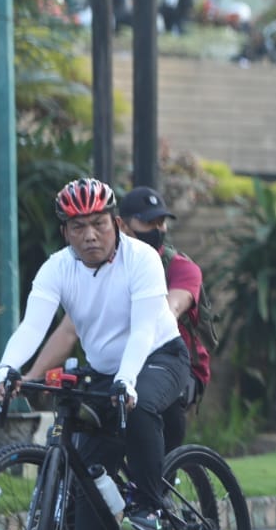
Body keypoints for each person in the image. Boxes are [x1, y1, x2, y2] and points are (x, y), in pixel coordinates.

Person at [0, 179, 191, 530]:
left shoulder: (142, 260)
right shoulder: (57, 269)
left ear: (116, 222)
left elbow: (141, 332)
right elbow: (32, 325)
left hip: (160, 358)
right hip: (105, 370)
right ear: (66, 232)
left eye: (98, 224)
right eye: (78, 227)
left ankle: (149, 510)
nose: (90, 235)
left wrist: (127, 380)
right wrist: (7, 371)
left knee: (136, 408)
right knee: (83, 467)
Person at [24, 186, 211, 453]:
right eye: (148, 222)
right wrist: (32, 376)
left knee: (143, 417)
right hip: (120, 366)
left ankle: (155, 484)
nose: (158, 228)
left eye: (161, 222)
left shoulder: (181, 267)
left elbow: (167, 312)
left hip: (176, 366)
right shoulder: (99, 269)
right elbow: (68, 331)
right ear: (121, 225)